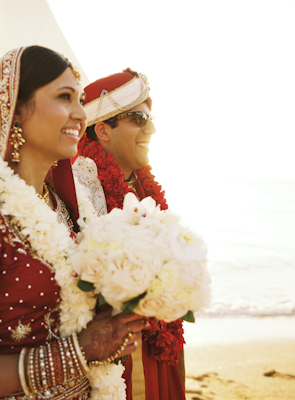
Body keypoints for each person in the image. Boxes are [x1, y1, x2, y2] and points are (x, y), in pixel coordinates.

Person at [0, 46, 146, 400]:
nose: (80, 114)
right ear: (16, 110)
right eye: (65, 97)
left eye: (81, 100)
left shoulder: (63, 206)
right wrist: (81, 352)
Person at [72, 69, 186, 400]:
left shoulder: (142, 187)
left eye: (150, 118)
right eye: (139, 117)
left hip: (158, 342)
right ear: (103, 129)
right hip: (114, 356)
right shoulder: (79, 189)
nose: (151, 128)